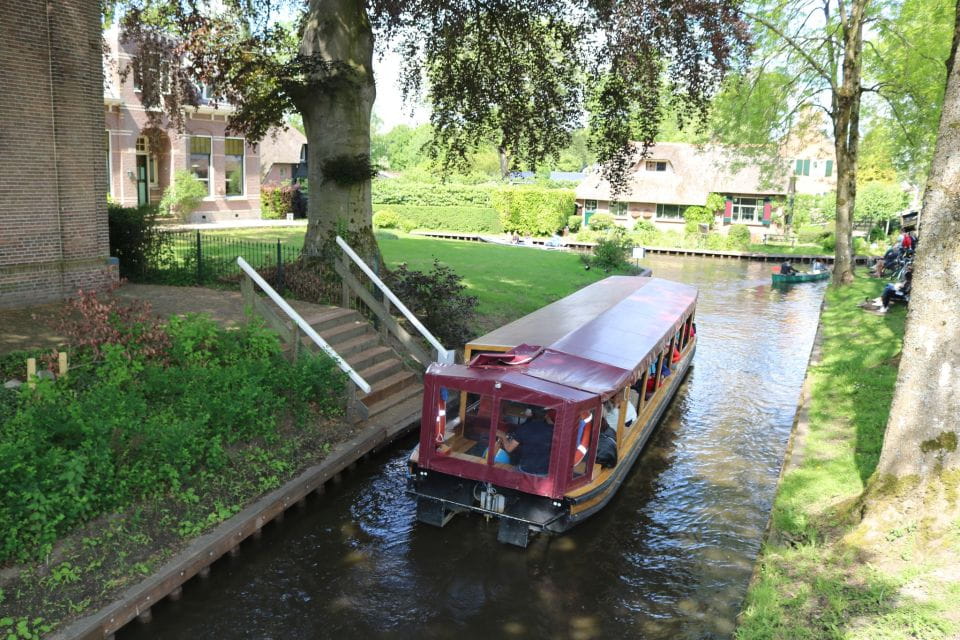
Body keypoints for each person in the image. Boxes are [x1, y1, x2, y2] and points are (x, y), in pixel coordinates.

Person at [497, 408, 554, 475]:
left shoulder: (524, 428)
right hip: (543, 472)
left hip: (525, 470)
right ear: (546, 415)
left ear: (531, 414)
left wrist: (503, 436)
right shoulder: (552, 430)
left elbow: (509, 448)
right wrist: (548, 418)